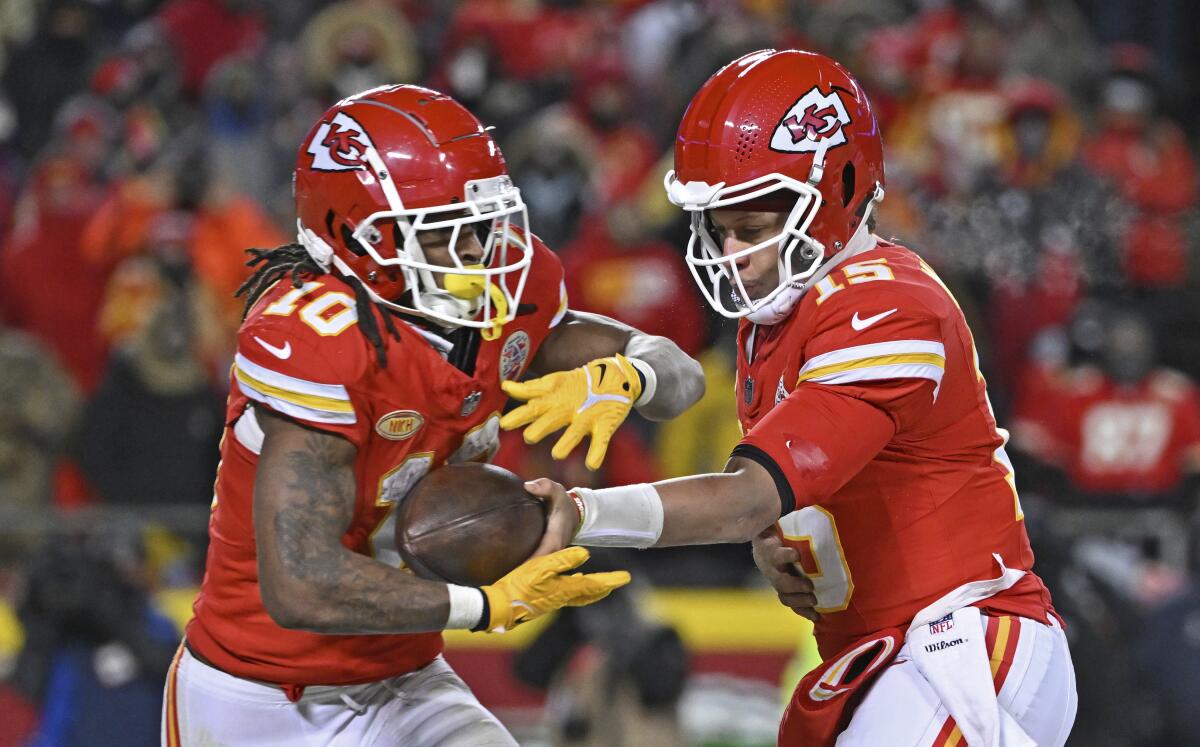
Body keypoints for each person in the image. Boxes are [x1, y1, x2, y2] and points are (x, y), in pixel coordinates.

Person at [517, 50, 1077, 746]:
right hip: (881, 653)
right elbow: (798, 492)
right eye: (718, 226)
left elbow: (749, 493)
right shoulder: (773, 319)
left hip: (961, 641)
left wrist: (580, 512)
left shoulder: (886, 303)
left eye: (751, 227)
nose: (732, 250)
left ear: (837, 192)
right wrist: (772, 539)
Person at [166, 84, 705, 747]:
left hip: (405, 676)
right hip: (261, 692)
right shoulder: (321, 336)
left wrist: (633, 374)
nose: (481, 251)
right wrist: (486, 605)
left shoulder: (507, 297)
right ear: (361, 239)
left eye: (482, 224)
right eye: (450, 230)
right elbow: (300, 582)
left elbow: (683, 375)